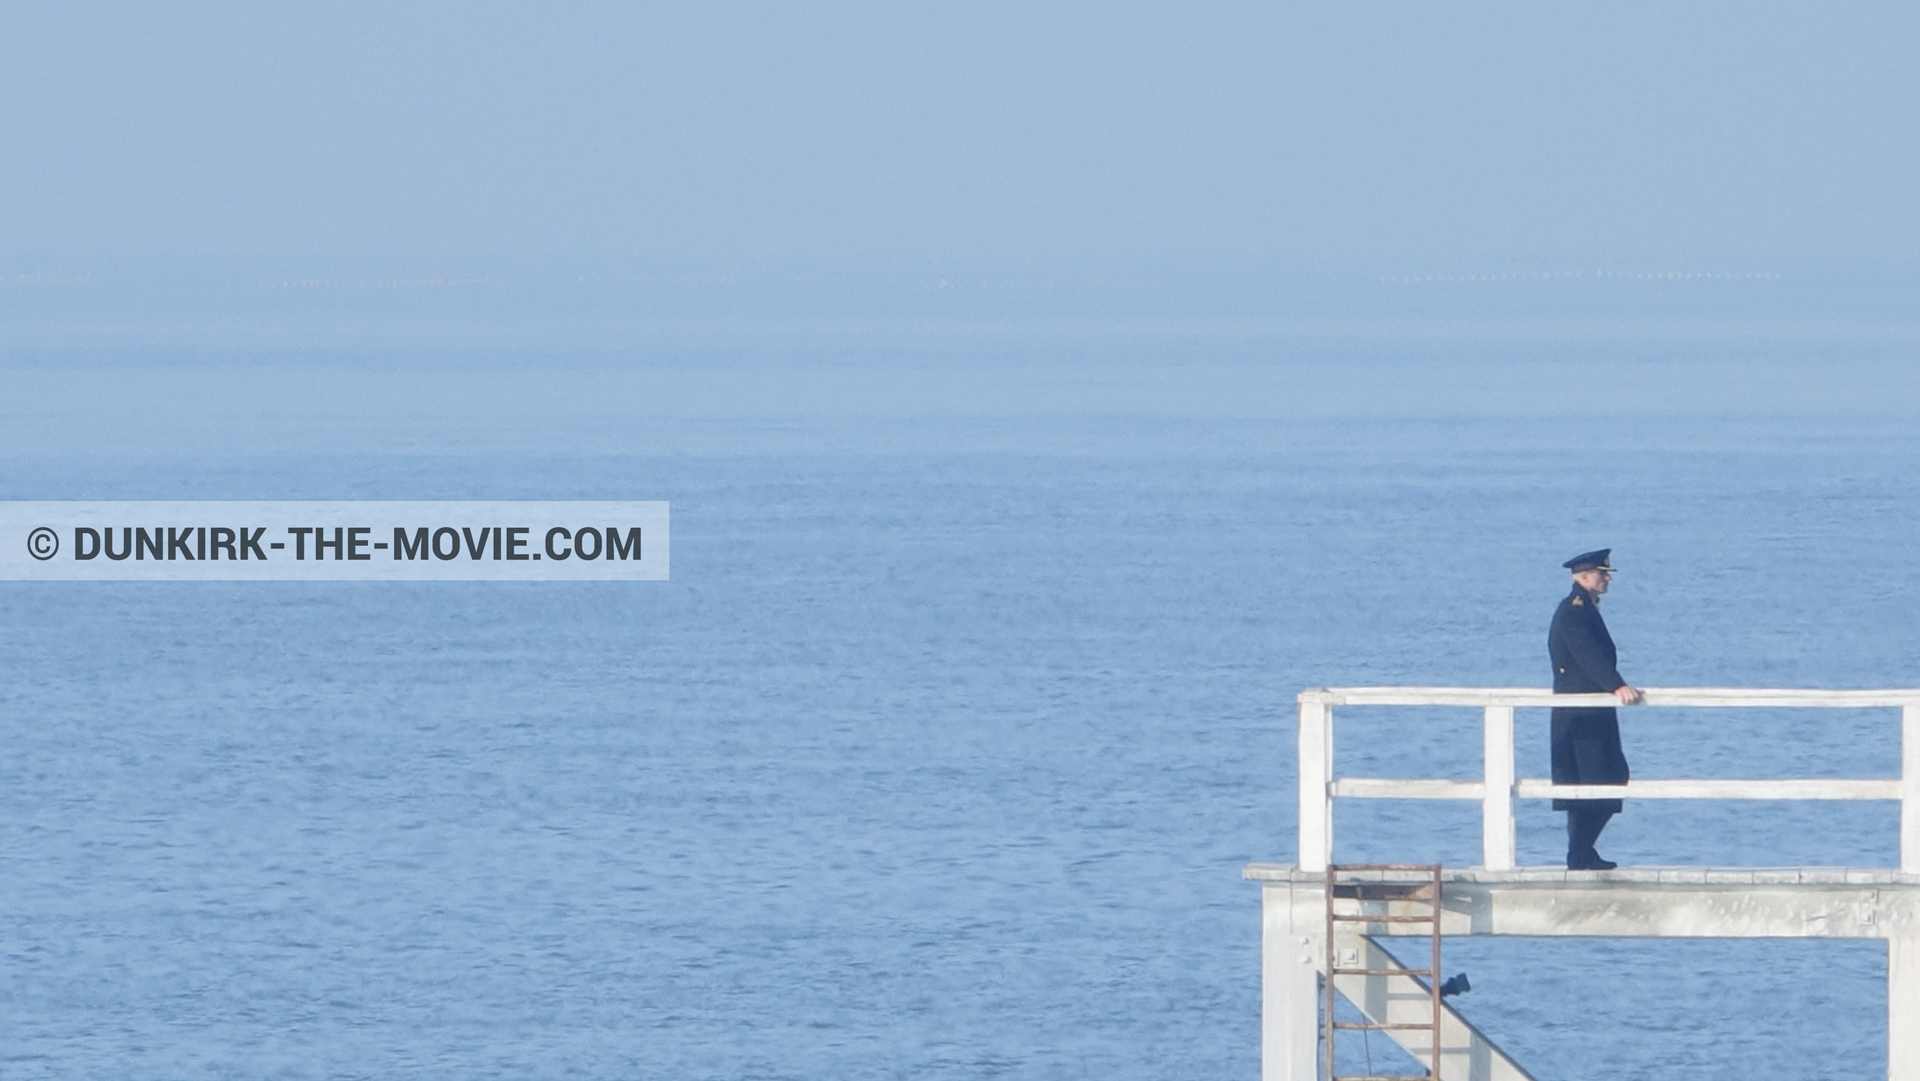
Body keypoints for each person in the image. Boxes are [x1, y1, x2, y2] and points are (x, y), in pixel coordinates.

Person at [1548, 549, 1643, 870]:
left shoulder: (1583, 608)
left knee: (1601, 781)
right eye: (1603, 573)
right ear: (1585, 577)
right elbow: (1588, 655)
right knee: (1595, 783)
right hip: (1580, 716)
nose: (1608, 578)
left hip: (1592, 713)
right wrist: (1617, 684)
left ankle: (1581, 852)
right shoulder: (1573, 612)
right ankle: (1579, 854)